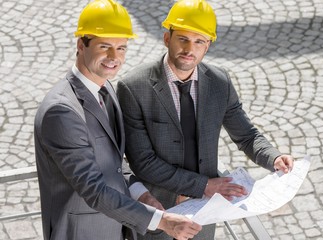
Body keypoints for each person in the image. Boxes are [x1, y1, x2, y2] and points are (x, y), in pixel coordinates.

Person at [116, 0, 294, 239]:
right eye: (183, 39)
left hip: (205, 213)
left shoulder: (219, 83)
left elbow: (247, 135)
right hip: (160, 211)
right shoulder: (134, 87)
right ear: (167, 38)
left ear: (208, 46)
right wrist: (205, 186)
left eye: (199, 41)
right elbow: (143, 162)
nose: (190, 49)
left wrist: (274, 157)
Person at [34, 0, 202, 239]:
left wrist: (141, 194)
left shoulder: (107, 90)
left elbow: (113, 163)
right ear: (81, 44)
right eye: (104, 46)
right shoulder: (61, 111)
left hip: (116, 229)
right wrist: (162, 221)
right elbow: (93, 189)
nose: (114, 57)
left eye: (121, 48)